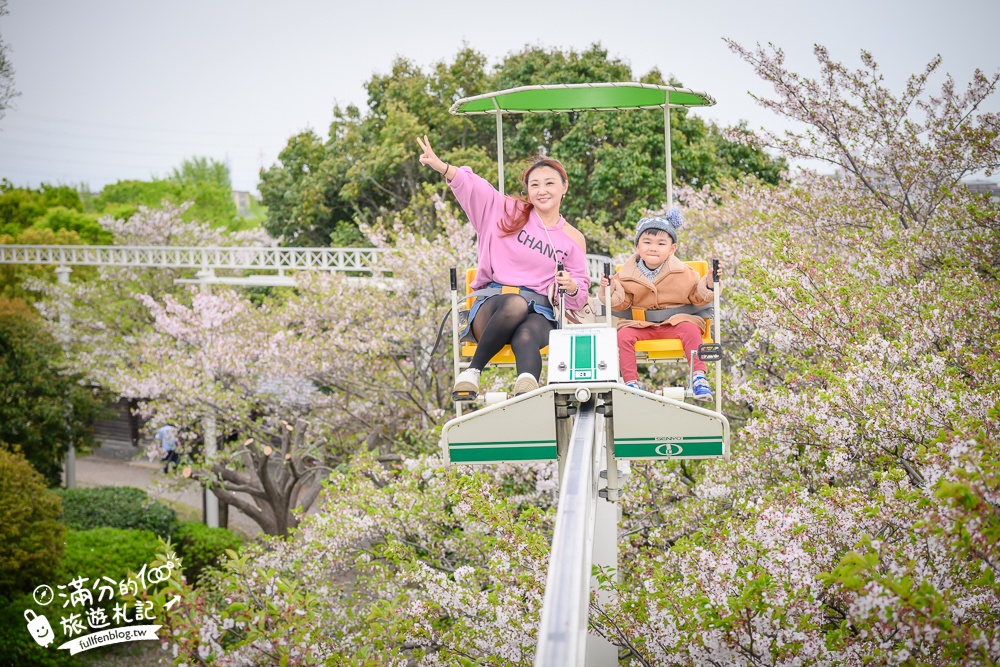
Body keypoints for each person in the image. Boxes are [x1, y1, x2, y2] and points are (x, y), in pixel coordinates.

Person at [416, 135, 591, 398]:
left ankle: (527, 387)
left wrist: (572, 286)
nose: (542, 190)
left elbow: (579, 296)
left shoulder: (573, 238)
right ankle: (473, 372)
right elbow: (475, 187)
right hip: (494, 306)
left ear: (564, 187)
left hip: (539, 311)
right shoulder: (507, 211)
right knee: (515, 304)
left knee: (527, 333)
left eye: (549, 183)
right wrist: (444, 168)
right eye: (534, 184)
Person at [598, 210, 715, 401]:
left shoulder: (684, 272)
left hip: (675, 322)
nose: (653, 248)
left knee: (690, 329)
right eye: (647, 242)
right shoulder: (626, 275)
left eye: (661, 244)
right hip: (641, 325)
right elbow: (622, 304)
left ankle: (698, 376)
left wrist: (708, 285)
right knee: (623, 336)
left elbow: (697, 297)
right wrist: (610, 290)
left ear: (672, 248)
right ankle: (631, 382)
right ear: (637, 246)